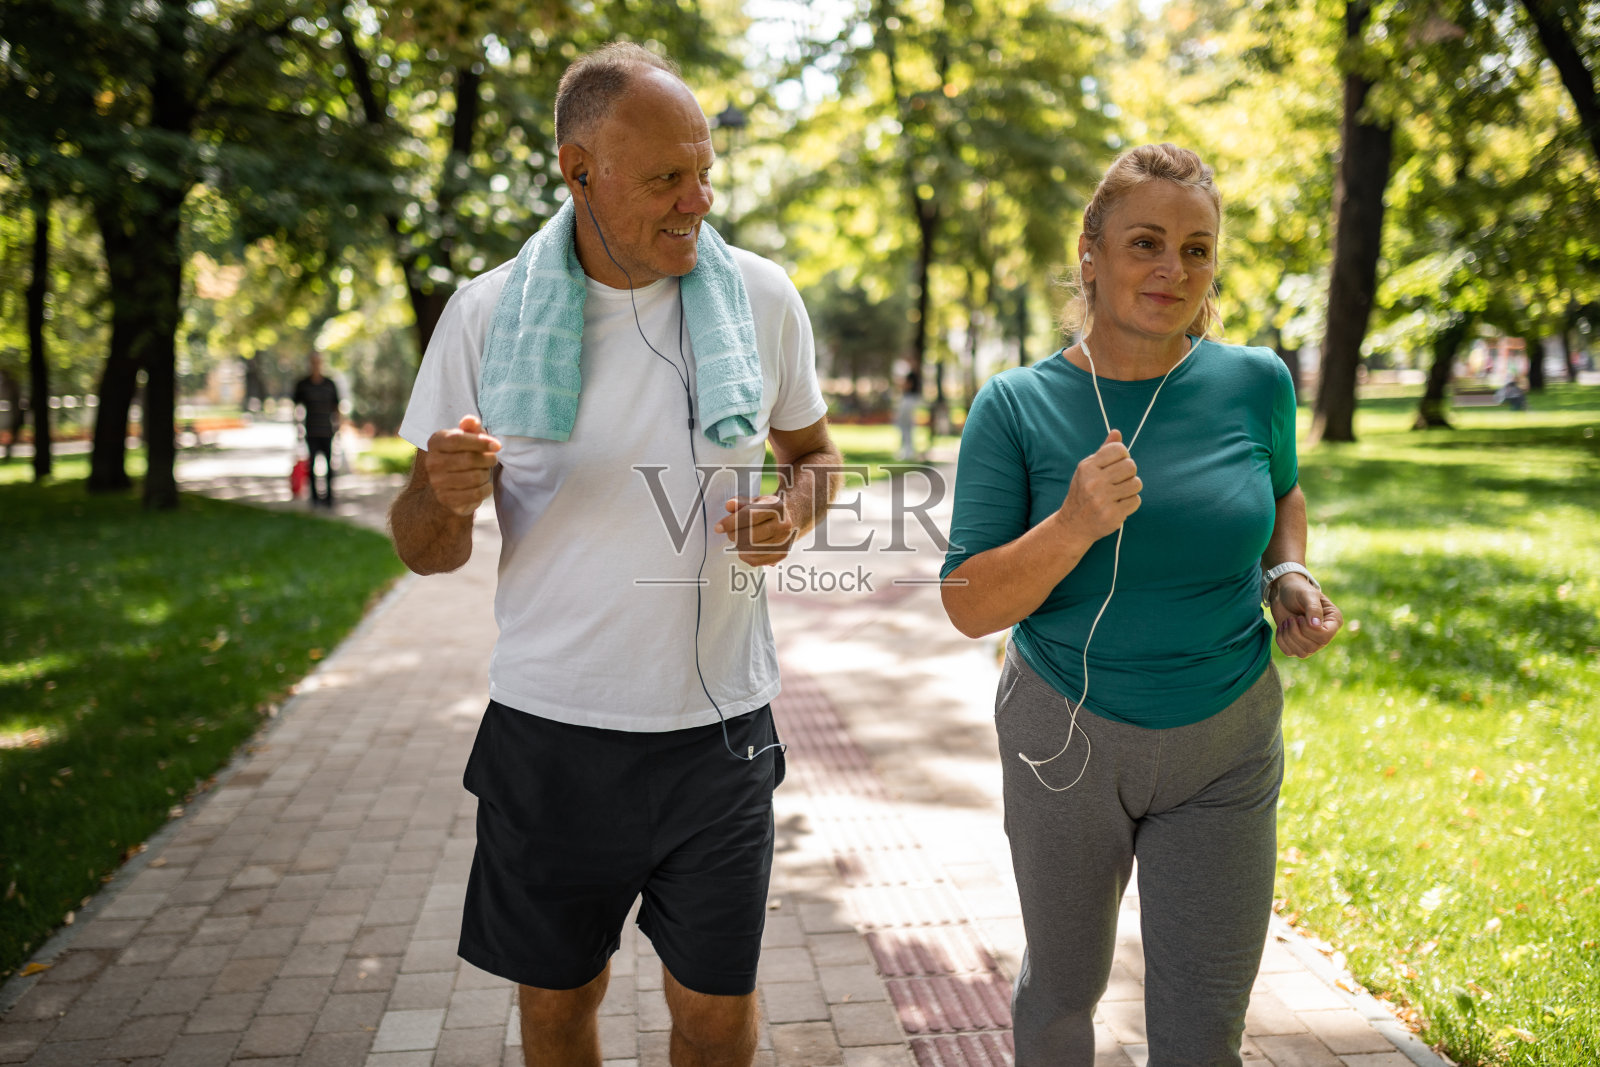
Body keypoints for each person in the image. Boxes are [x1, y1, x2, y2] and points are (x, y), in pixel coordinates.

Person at [388, 43, 841, 1067]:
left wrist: (793, 508)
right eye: (666, 178)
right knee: (558, 1005)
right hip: (550, 734)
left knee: (716, 1016)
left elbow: (814, 454)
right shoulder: (487, 313)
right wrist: (439, 496)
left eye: (704, 169)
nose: (698, 199)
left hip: (719, 732)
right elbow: (424, 549)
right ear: (576, 169)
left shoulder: (761, 297)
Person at [940, 143, 1343, 1066]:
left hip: (1226, 737)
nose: (1174, 270)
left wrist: (1288, 576)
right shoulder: (1016, 406)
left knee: (1206, 1016)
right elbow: (966, 603)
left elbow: (1283, 495)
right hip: (1065, 737)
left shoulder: (1257, 382)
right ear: (1091, 252)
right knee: (1063, 990)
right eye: (1147, 243)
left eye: (1197, 250)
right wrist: (1075, 522)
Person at [291, 352, 340, 507]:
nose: (316, 365)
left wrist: (338, 428)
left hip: (327, 432)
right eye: (313, 362)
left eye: (318, 362)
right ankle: (314, 499)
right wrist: (297, 428)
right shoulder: (303, 384)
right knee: (311, 466)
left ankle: (329, 498)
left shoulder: (330, 384)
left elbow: (336, 408)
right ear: (310, 364)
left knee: (329, 466)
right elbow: (296, 407)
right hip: (311, 432)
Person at [896, 366, 923, 461]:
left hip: (909, 400)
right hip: (911, 400)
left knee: (905, 426)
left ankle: (908, 452)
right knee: (906, 427)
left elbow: (907, 386)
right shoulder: (915, 375)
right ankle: (907, 451)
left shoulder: (911, 376)